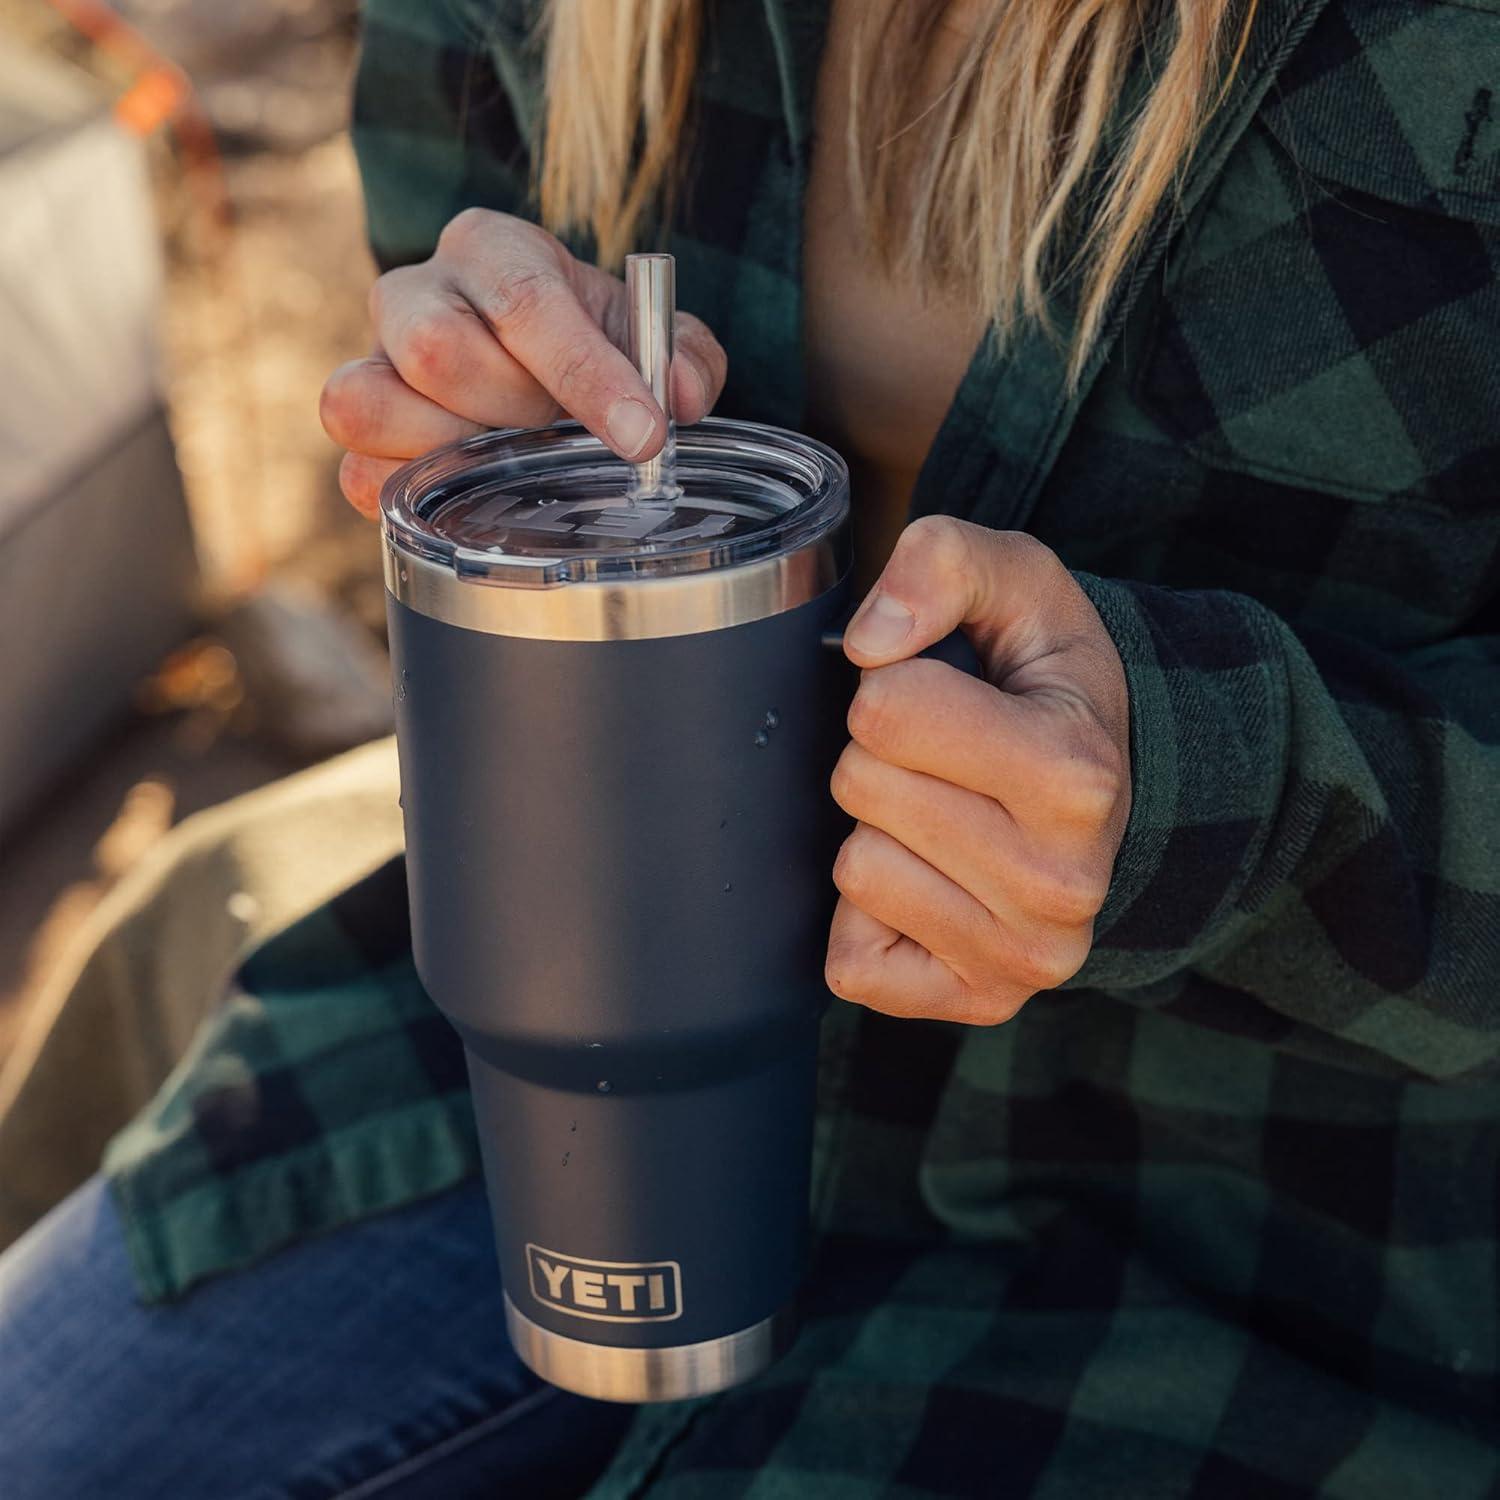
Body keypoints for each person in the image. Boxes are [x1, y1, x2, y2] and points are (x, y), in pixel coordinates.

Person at [4, 0, 1498, 1494]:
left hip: (1256, 1225)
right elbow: (444, 300)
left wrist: (1213, 781)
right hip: (548, 1041)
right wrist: (478, 398)